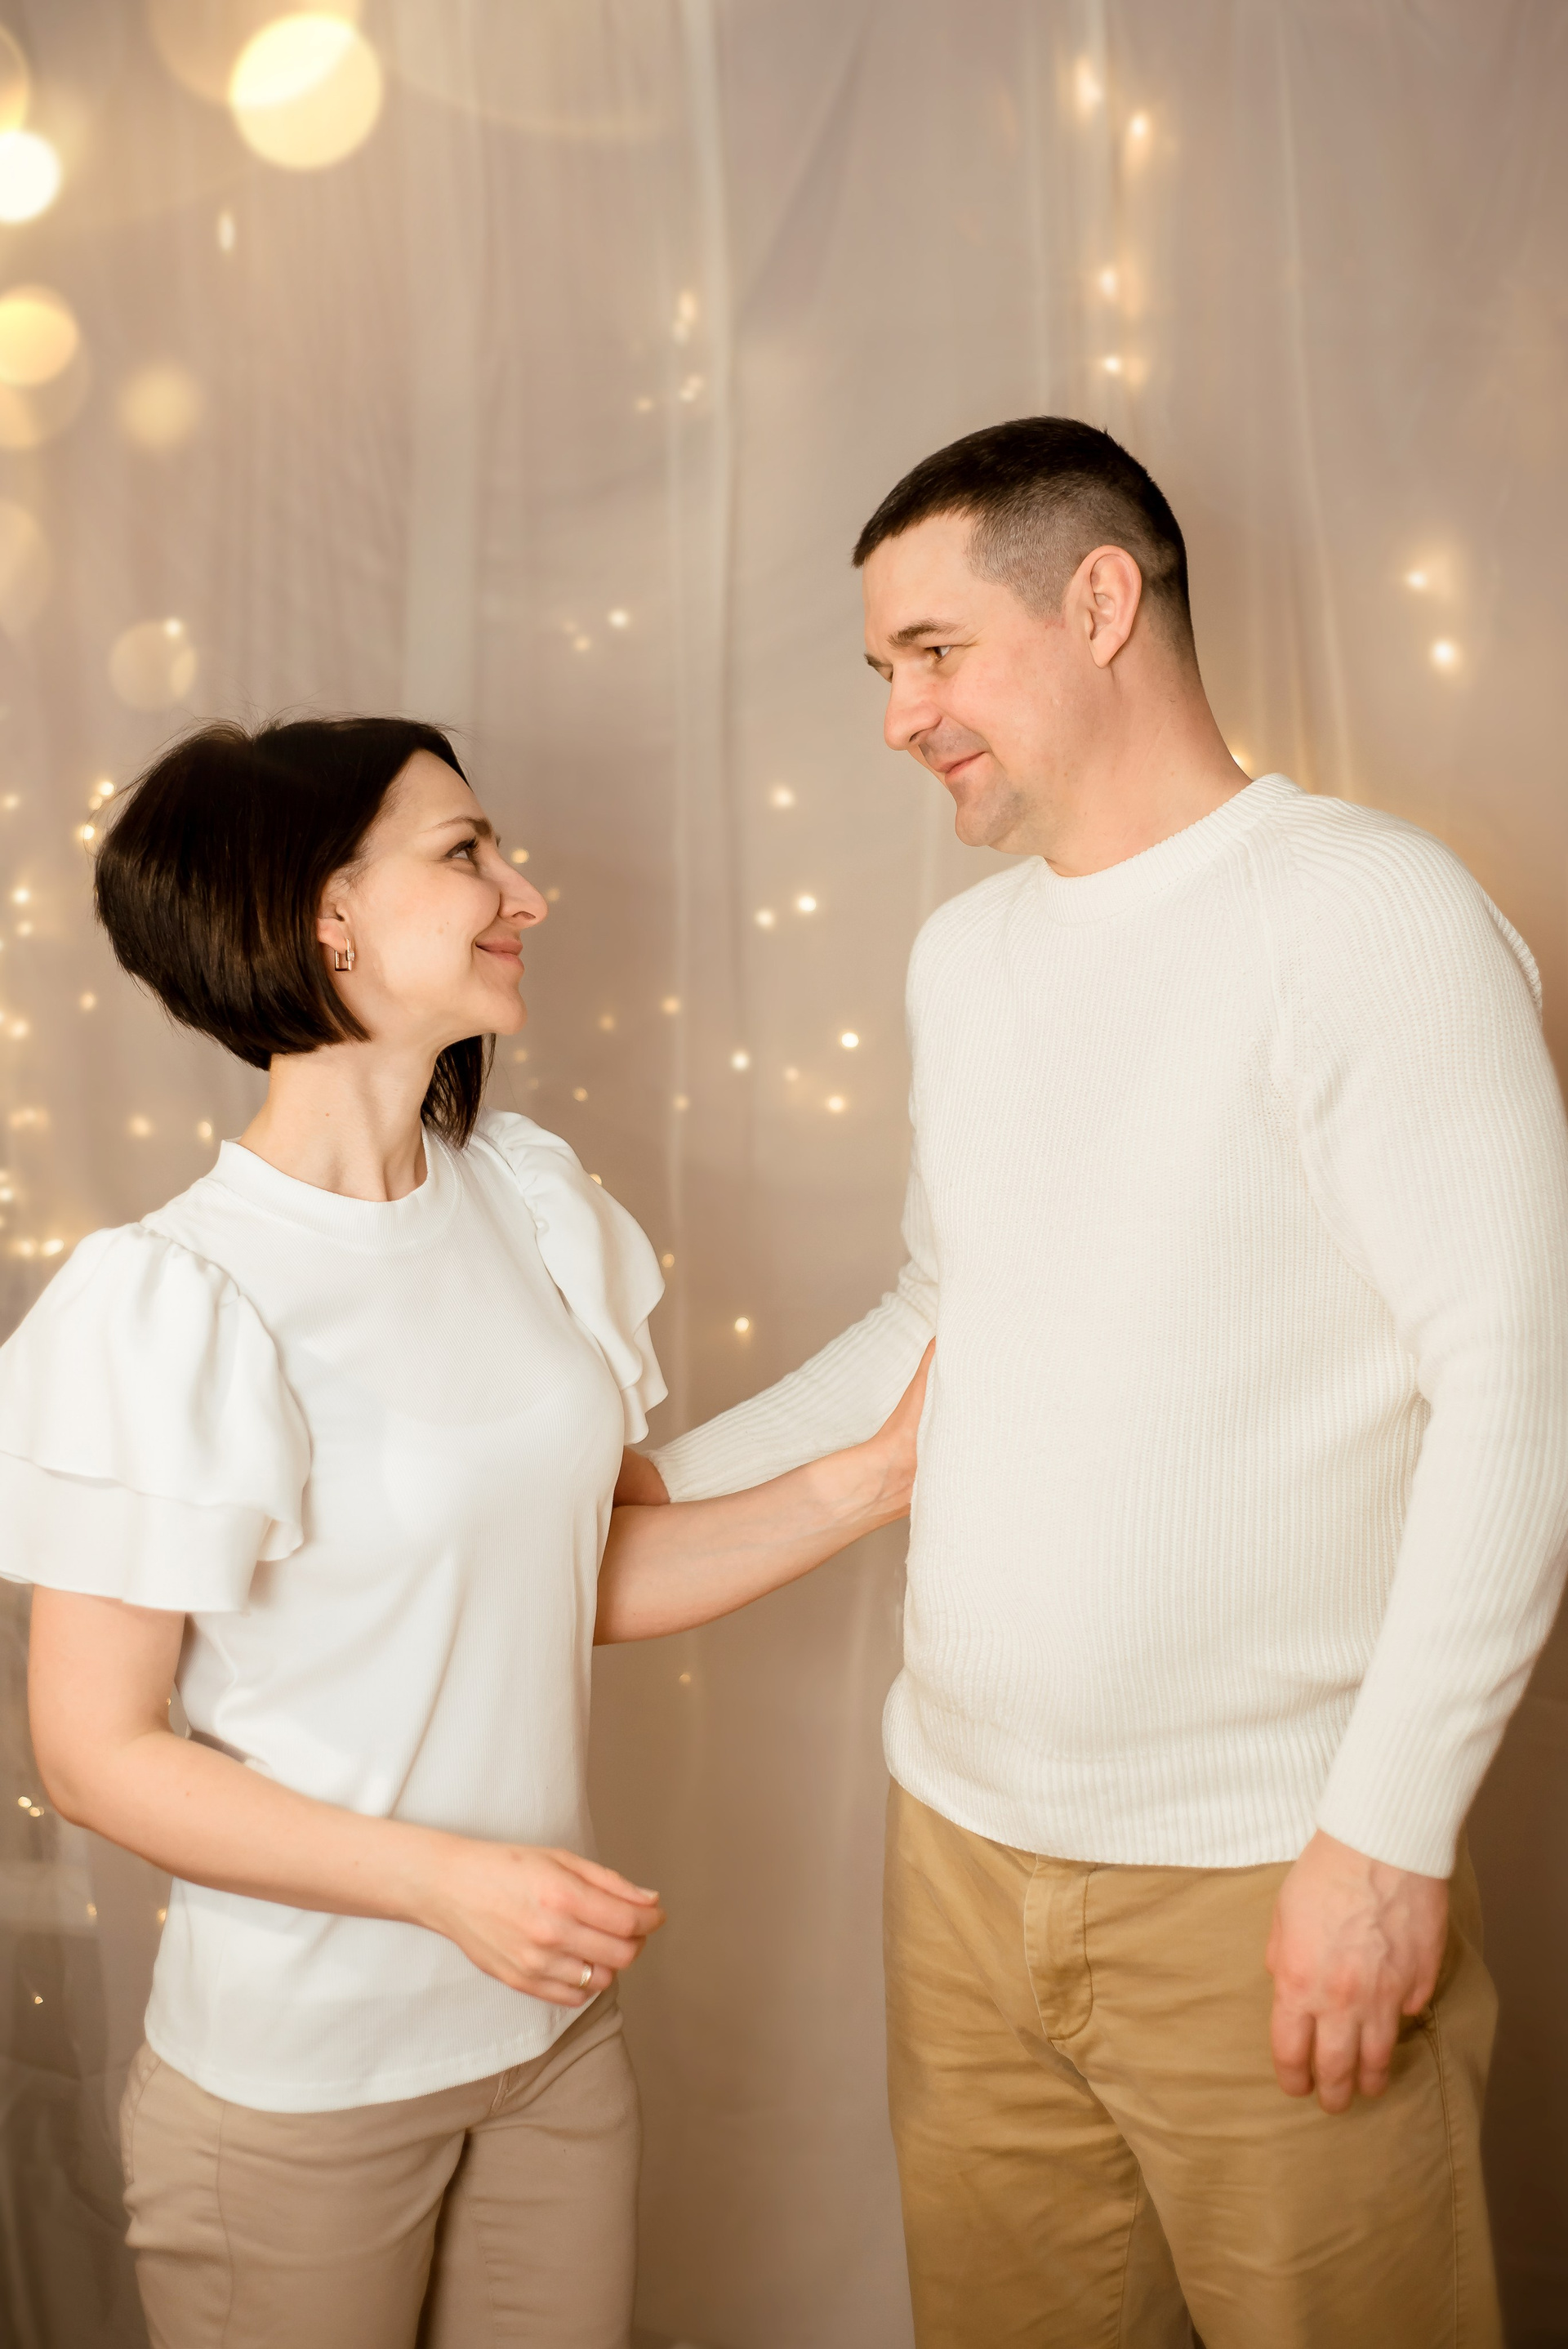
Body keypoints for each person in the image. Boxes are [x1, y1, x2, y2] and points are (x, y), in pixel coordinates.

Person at [624, 419, 1568, 2346]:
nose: (899, 716)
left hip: (1263, 1871)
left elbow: (1521, 1384)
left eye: (934, 652)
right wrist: (637, 1491)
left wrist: (1386, 1836)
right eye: (882, 668)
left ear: (1103, 600)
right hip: (960, 1858)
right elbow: (939, 1310)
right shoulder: (965, 958)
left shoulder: (1367, 913)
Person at [0, 715, 929, 2349]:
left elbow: (567, 1574)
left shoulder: (522, 1198)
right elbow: (95, 1753)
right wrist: (447, 1885)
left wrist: (879, 1473)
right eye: (466, 854)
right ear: (325, 914)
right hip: (297, 2089)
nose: (527, 893)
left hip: (546, 2042)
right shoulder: (176, 1298)